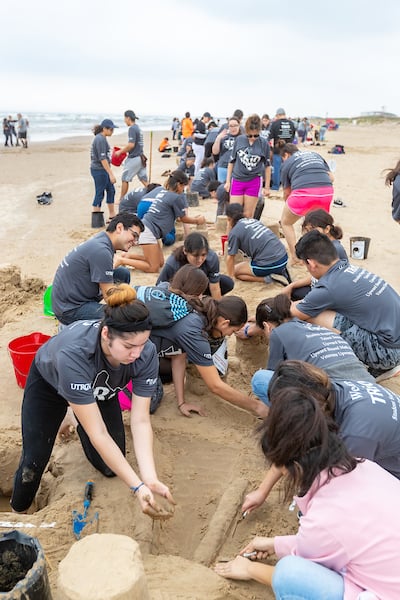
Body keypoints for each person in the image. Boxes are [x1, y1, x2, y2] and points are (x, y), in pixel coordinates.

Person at [216, 385, 400, 599]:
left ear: (293, 466)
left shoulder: (323, 517)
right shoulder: (363, 466)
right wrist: (276, 544)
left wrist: (250, 569)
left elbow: (300, 574)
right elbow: (338, 540)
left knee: (289, 571)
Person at [11, 285, 175, 516]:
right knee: (33, 461)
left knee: (111, 466)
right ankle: (19, 512)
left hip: (101, 388)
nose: (137, 354)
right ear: (106, 334)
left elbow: (140, 421)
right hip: (50, 384)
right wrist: (136, 487)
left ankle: (79, 415)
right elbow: (98, 433)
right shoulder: (75, 353)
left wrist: (149, 478)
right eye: (129, 346)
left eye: (142, 344)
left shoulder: (145, 353)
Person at [242, 360, 400, 524]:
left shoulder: (354, 437)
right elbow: (289, 445)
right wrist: (262, 491)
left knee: (314, 510)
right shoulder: (329, 390)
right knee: (262, 380)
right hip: (379, 431)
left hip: (393, 474)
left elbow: (344, 490)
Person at [134, 279, 268, 418]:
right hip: (121, 344)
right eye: (233, 331)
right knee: (153, 399)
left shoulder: (195, 307)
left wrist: (181, 402)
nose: (229, 335)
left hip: (126, 333)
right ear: (224, 323)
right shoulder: (195, 332)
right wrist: (257, 407)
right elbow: (215, 385)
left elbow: (178, 357)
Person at [292, 230, 400, 378]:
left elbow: (293, 311)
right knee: (328, 310)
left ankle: (378, 367)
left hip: (388, 353)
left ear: (311, 264)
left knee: (315, 315)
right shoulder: (347, 268)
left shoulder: (330, 286)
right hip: (393, 340)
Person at [244, 295, 374, 403]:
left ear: (267, 327)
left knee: (260, 379)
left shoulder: (277, 332)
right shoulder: (317, 328)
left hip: (336, 391)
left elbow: (274, 378)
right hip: (368, 384)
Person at [51, 213, 143, 325]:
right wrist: (133, 300)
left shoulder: (102, 239)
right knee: (122, 319)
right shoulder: (101, 250)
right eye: (134, 235)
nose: (135, 242)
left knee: (122, 274)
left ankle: (106, 309)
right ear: (119, 228)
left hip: (70, 297)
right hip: (69, 310)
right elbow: (109, 296)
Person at [114, 170, 205, 273]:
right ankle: (122, 260)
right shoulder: (175, 197)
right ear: (179, 185)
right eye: (183, 187)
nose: (183, 190)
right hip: (149, 230)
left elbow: (179, 217)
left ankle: (128, 256)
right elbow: (183, 218)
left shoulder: (163, 192)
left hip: (150, 229)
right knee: (153, 268)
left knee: (160, 262)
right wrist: (197, 220)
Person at [279, 143, 334, 264]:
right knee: (319, 225)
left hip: (303, 194)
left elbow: (287, 193)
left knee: (286, 222)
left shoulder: (287, 163)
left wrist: (289, 206)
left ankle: (296, 257)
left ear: (286, 155)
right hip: (326, 192)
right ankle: (322, 254)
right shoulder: (315, 154)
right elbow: (331, 178)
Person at [283, 208, 348, 300]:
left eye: (313, 229)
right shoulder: (326, 244)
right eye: (307, 230)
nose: (309, 234)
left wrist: (292, 285)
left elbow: (326, 279)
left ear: (327, 229)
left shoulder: (332, 249)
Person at [225, 203, 290, 285]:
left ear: (228, 218)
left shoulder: (234, 232)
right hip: (284, 258)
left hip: (271, 264)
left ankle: (267, 279)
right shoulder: (254, 221)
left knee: (236, 271)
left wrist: (230, 277)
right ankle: (274, 273)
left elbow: (230, 258)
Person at [156, 232, 234, 299]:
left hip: (201, 284)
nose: (200, 260)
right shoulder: (173, 263)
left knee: (227, 283)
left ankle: (203, 297)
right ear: (185, 251)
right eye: (195, 256)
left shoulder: (212, 258)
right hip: (181, 290)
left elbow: (215, 287)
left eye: (203, 255)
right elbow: (159, 287)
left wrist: (217, 310)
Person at [225, 114, 271, 218]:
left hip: (254, 181)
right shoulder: (239, 140)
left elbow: (267, 166)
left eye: (256, 136)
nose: (253, 138)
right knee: (233, 214)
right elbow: (231, 161)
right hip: (237, 179)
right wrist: (228, 181)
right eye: (249, 135)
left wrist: (267, 187)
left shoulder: (264, 143)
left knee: (248, 215)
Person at [90, 119, 119, 222]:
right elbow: (102, 159)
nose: (112, 132)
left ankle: (112, 215)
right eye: (111, 129)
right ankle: (96, 218)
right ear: (105, 129)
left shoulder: (103, 138)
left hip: (103, 169)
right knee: (100, 193)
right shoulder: (100, 139)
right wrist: (111, 174)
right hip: (99, 170)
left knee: (111, 190)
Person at [115, 110, 148, 202]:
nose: (124, 120)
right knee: (143, 179)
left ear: (128, 118)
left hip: (135, 158)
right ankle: (153, 194)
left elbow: (131, 145)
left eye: (124, 118)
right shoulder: (138, 128)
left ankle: (122, 199)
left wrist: (120, 152)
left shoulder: (132, 129)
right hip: (141, 157)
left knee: (125, 178)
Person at [268, 107, 296, 191]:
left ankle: (276, 186)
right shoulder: (291, 124)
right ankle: (288, 186)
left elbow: (271, 138)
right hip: (289, 149)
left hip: (278, 150)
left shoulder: (275, 124)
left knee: (277, 169)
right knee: (289, 168)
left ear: (278, 115)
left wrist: (271, 150)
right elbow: (293, 136)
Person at [212, 116, 242, 183]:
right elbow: (215, 152)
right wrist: (218, 138)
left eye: (235, 126)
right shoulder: (224, 137)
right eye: (231, 126)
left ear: (239, 126)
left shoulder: (242, 138)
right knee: (222, 189)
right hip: (223, 166)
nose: (233, 128)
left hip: (237, 168)